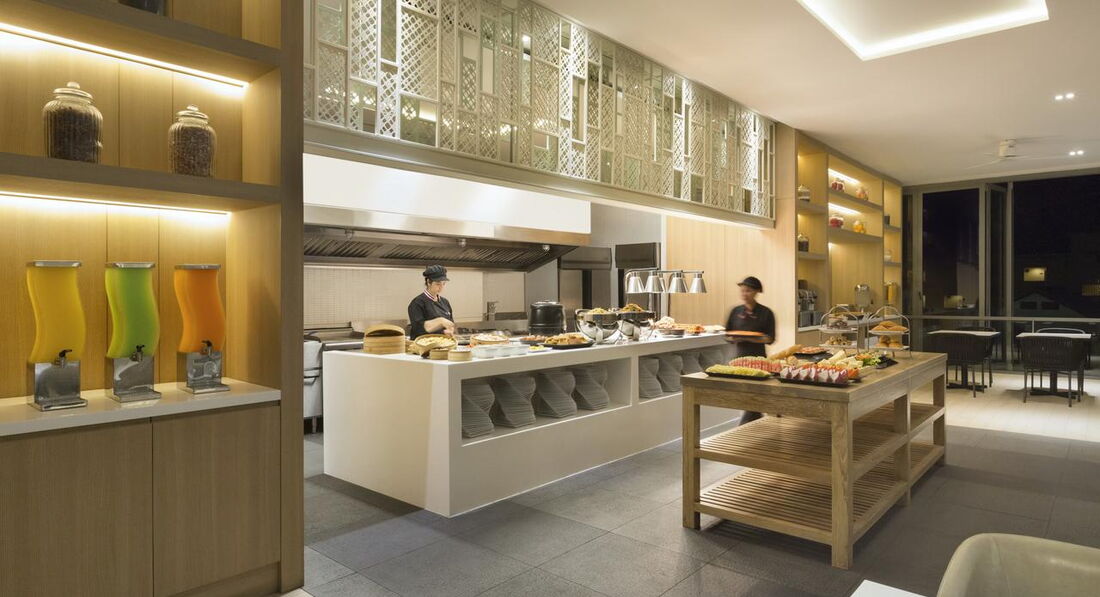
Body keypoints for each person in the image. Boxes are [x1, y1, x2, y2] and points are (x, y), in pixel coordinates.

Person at [725, 275, 775, 425]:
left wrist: (751, 338)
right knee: (745, 395)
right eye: (742, 290)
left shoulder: (766, 313)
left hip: (757, 359)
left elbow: (770, 338)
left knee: (754, 393)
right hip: (738, 359)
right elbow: (727, 334)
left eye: (748, 291)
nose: (744, 294)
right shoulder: (735, 311)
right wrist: (734, 338)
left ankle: (747, 424)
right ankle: (753, 423)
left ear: (757, 292)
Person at [408, 265, 455, 338]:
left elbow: (450, 323)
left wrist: (449, 330)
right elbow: (418, 328)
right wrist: (440, 321)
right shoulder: (417, 303)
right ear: (428, 282)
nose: (441, 287)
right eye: (438, 284)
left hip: (442, 343)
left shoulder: (445, 302)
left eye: (444, 284)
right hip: (423, 344)